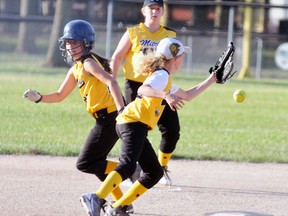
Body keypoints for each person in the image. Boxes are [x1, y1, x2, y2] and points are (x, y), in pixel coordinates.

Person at [79, 37, 217, 216]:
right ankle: (96, 198)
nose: (182, 60)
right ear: (174, 58)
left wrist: (212, 79)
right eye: (181, 56)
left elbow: (188, 95)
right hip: (131, 123)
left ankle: (117, 207)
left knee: (154, 172)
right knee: (128, 166)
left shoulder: (164, 78)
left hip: (135, 125)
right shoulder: (161, 76)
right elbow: (143, 90)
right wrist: (165, 95)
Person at [22, 19, 130, 212]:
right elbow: (59, 95)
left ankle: (128, 169)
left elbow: (112, 82)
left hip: (111, 118)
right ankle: (123, 203)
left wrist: (122, 111)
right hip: (103, 119)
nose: (70, 47)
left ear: (86, 43)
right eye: (68, 42)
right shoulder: (76, 68)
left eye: (75, 42)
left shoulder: (88, 63)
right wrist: (39, 98)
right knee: (97, 165)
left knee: (86, 163)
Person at [111, 0, 179, 186]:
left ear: (163, 11)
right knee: (136, 132)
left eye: (158, 8)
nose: (155, 12)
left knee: (172, 130)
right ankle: (133, 170)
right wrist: (112, 80)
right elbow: (117, 56)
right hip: (136, 86)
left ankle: (161, 168)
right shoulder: (133, 32)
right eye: (151, 8)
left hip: (161, 85)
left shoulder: (169, 34)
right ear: (143, 11)